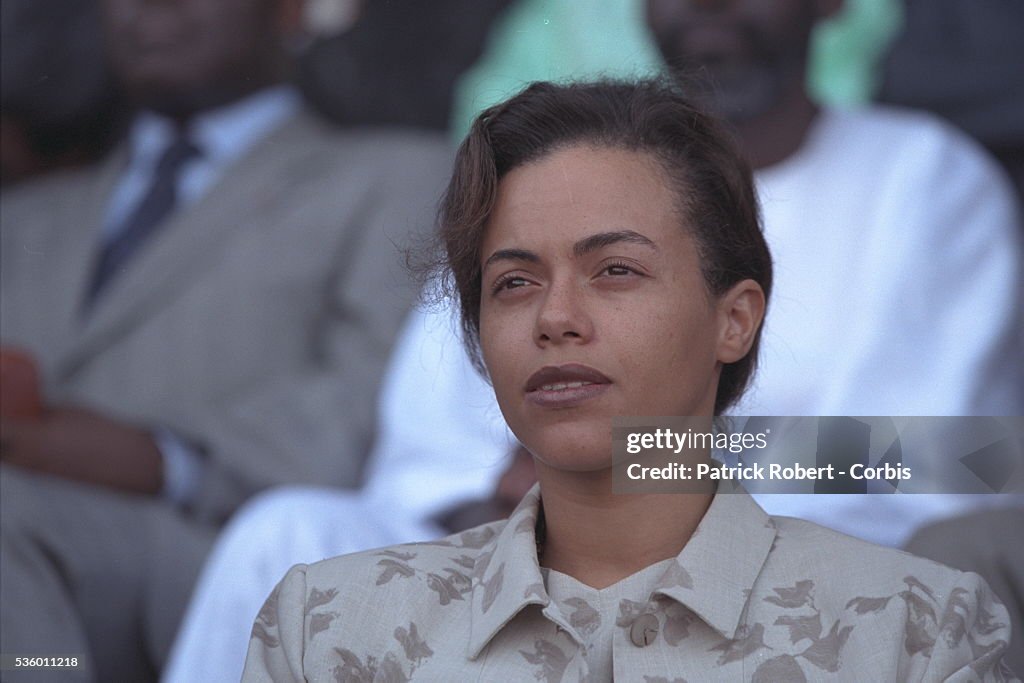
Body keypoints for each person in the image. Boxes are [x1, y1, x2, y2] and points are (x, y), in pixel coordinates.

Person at [242, 79, 1015, 681]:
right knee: (284, 530)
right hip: (488, 555)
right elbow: (420, 456)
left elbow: (952, 454)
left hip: (796, 563)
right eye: (513, 282)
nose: (556, 316)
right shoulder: (323, 613)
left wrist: (649, 455)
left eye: (616, 270)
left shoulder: (923, 170)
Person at [0, 0, 449, 679]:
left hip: (221, 550)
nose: (151, 9)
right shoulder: (24, 217)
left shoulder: (395, 176)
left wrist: (162, 456)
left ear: (289, 12)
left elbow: (377, 400)